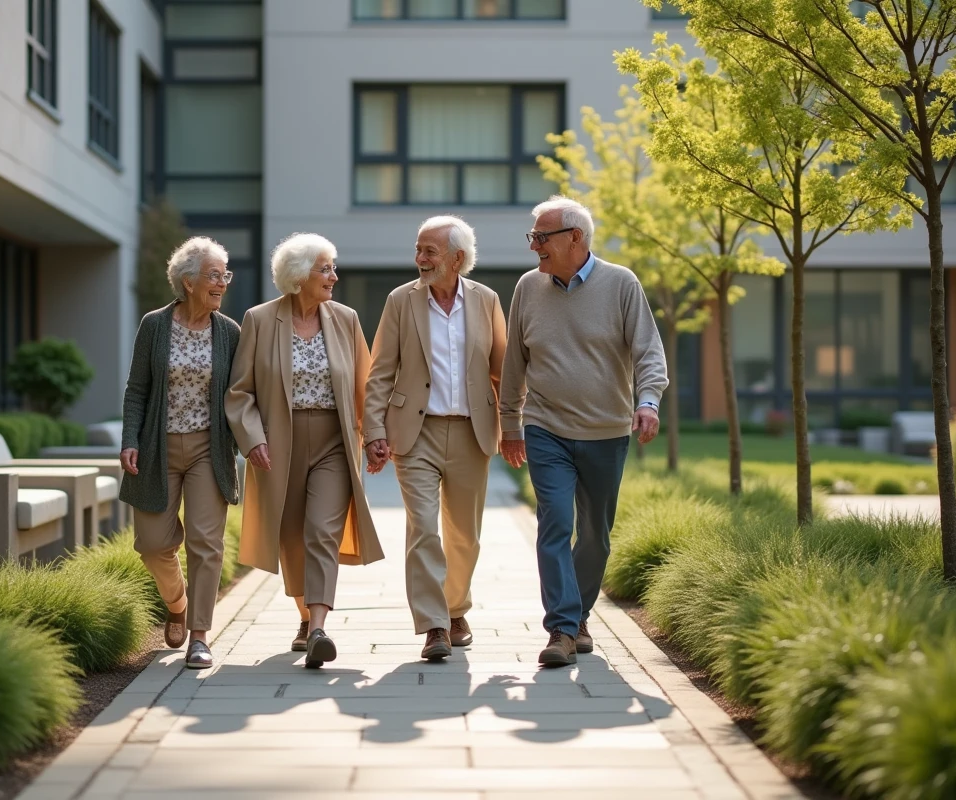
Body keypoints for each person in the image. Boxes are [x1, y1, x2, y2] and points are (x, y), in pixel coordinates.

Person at [499, 196, 667, 668]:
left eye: (541, 236)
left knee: (595, 534)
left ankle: (578, 617)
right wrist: (510, 421)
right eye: (532, 237)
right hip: (546, 426)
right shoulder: (528, 288)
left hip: (605, 430)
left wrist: (648, 402)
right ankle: (561, 630)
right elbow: (516, 361)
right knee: (555, 520)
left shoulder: (621, 284)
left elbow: (648, 352)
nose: (534, 246)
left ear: (575, 237)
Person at [226, 232, 384, 668]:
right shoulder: (259, 320)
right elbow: (239, 392)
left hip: (333, 439)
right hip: (279, 442)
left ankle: (317, 628)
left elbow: (365, 387)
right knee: (291, 536)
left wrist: (373, 437)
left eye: (332, 267)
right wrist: (252, 439)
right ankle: (304, 617)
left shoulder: (346, 319)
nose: (334, 275)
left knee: (322, 531)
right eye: (326, 268)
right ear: (299, 277)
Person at [363, 215, 507, 661]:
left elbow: (502, 369)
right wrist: (374, 430)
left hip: (471, 430)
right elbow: (380, 370)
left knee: (465, 535)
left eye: (430, 251)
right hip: (416, 433)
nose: (420, 259)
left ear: (457, 258)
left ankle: (455, 606)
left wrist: (515, 423)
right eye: (418, 250)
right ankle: (433, 625)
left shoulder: (486, 301)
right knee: (423, 528)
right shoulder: (401, 300)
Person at [119, 236, 241, 670]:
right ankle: (177, 602)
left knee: (206, 543)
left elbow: (240, 396)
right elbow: (137, 390)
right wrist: (130, 438)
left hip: (209, 449)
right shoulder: (155, 325)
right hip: (157, 448)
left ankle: (200, 636)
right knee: (153, 545)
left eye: (225, 274)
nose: (222, 283)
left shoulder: (229, 332)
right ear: (188, 282)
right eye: (214, 275)